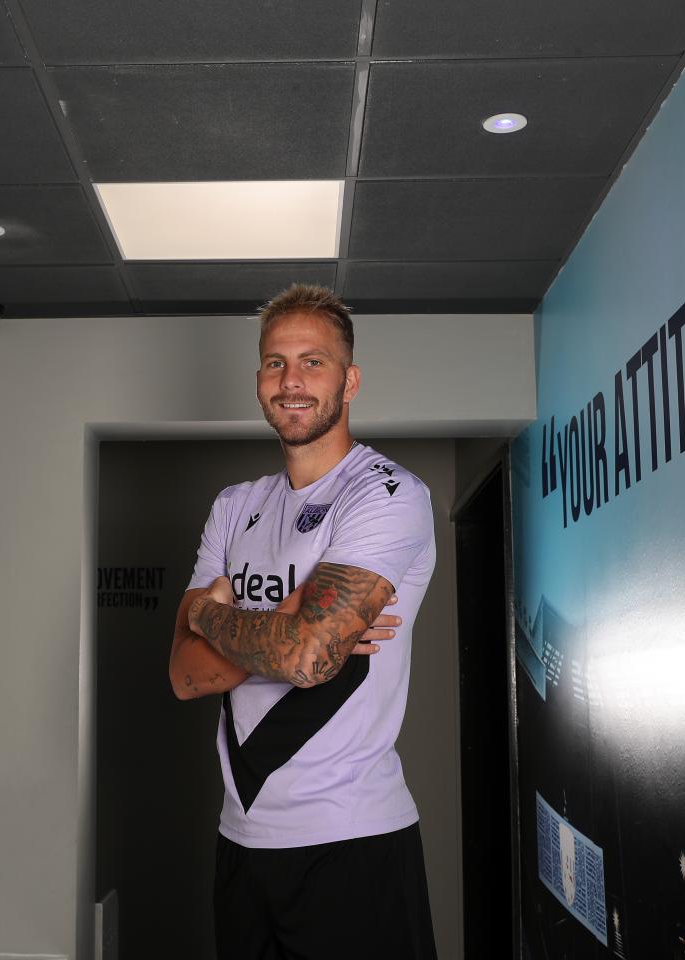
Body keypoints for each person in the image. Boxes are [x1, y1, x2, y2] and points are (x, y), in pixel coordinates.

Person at [168, 283, 438, 959]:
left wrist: (213, 614)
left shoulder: (387, 493)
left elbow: (308, 658)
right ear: (258, 379)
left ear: (350, 381)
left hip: (354, 844)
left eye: (313, 362)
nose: (291, 380)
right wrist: (286, 624)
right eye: (274, 362)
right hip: (242, 842)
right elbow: (182, 674)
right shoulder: (235, 506)